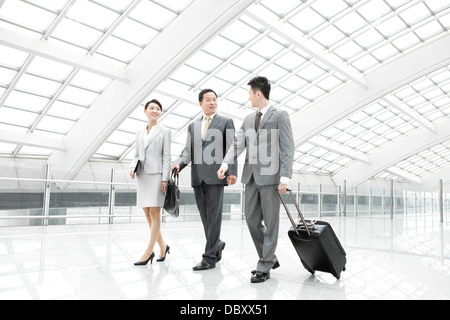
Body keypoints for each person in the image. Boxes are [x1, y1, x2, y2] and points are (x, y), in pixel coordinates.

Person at [218, 76, 295, 283]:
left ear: (258, 93)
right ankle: (270, 257)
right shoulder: (248, 119)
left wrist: (285, 177)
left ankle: (264, 264)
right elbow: (237, 143)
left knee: (271, 222)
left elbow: (288, 147)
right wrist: (225, 163)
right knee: (251, 219)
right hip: (251, 176)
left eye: (250, 93)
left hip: (272, 178)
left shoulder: (280, 115)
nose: (249, 98)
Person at [172, 89, 237, 271]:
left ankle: (209, 258)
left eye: (215, 99)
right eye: (208, 100)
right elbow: (188, 150)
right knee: (206, 217)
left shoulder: (225, 122)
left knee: (214, 217)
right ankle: (217, 243)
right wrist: (179, 164)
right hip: (198, 176)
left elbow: (232, 147)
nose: (212, 102)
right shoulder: (193, 125)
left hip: (217, 175)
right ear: (201, 103)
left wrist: (231, 171)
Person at [130, 99, 172, 266]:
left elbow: (167, 156)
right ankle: (162, 245)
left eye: (158, 109)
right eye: (152, 108)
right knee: (147, 213)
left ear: (160, 113)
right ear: (145, 111)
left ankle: (148, 252)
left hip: (156, 175)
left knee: (155, 214)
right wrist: (132, 168)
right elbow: (136, 154)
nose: (155, 111)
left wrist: (165, 179)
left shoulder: (165, 131)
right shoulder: (139, 132)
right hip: (142, 175)